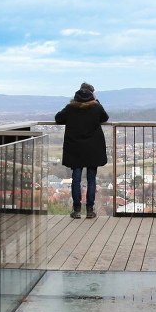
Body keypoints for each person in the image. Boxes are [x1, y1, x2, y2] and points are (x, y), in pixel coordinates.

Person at [54, 82, 108, 219]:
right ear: (92, 94)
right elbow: (105, 118)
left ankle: (76, 209)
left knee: (76, 179)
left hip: (75, 148)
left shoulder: (71, 107)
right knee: (91, 179)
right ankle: (90, 209)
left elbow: (58, 118)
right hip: (93, 148)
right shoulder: (96, 107)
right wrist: (97, 102)